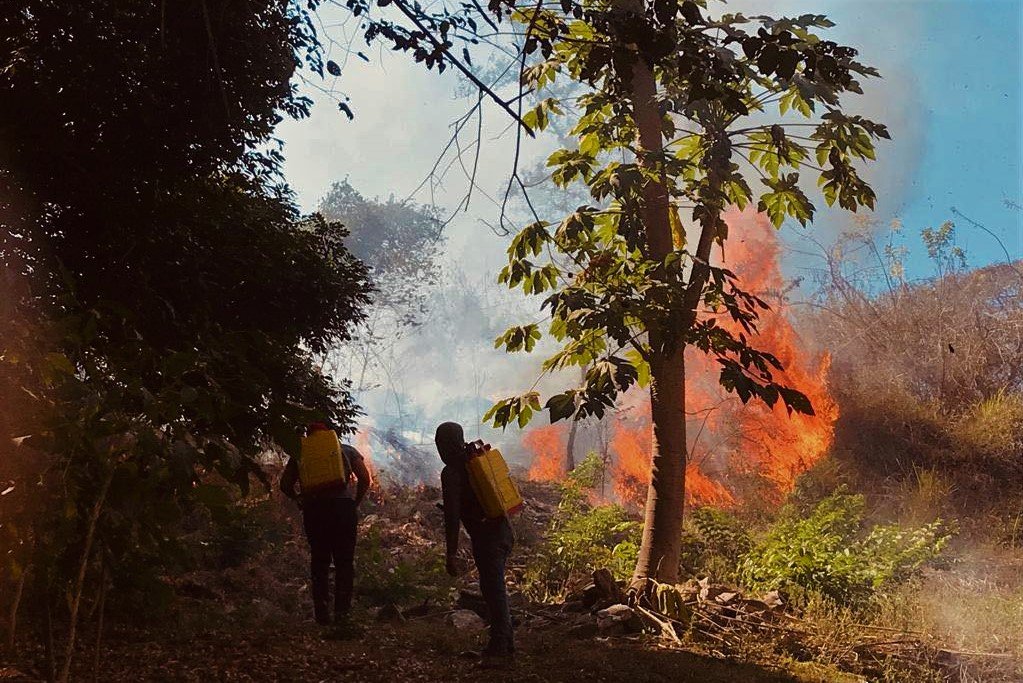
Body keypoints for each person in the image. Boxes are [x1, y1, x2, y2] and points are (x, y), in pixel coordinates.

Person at [436, 421, 515, 663]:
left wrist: (450, 554)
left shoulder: (452, 472)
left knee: (493, 590)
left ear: (447, 444)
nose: (438, 449)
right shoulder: (476, 460)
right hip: (504, 532)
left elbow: (452, 516)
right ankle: (503, 643)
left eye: (439, 443)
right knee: (492, 589)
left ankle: (500, 648)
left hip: (487, 537)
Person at [281, 422, 371, 625]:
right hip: (343, 510)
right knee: (344, 562)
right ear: (330, 434)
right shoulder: (346, 450)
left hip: (315, 511)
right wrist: (354, 501)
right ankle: (342, 614)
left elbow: (284, 485)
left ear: (309, 435)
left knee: (319, 561)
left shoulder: (300, 454)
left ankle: (322, 614)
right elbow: (364, 479)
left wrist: (298, 499)